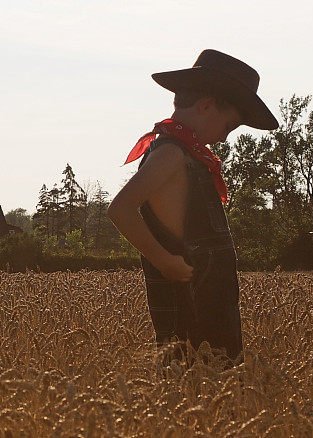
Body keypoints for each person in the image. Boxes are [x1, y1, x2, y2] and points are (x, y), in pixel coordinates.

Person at [107, 49, 279, 371]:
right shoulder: (170, 154)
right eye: (229, 125)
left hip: (213, 301)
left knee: (218, 386)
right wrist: (164, 261)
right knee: (192, 382)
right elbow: (120, 209)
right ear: (207, 105)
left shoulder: (189, 155)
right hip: (189, 302)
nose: (227, 136)